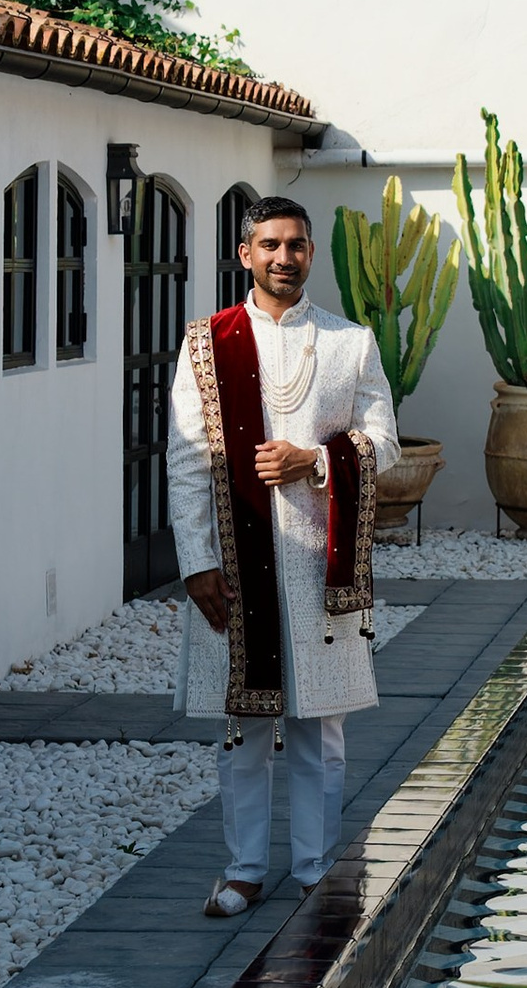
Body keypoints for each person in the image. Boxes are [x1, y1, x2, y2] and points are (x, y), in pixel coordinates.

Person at [169, 191, 397, 919]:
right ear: (246, 253)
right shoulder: (208, 341)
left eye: (296, 244)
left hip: (314, 566)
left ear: (309, 252)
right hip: (236, 562)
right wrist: (196, 560)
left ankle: (315, 869)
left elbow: (384, 443)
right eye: (269, 244)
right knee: (242, 726)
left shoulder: (347, 341)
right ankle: (242, 870)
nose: (284, 257)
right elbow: (184, 459)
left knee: (318, 727)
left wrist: (316, 461)